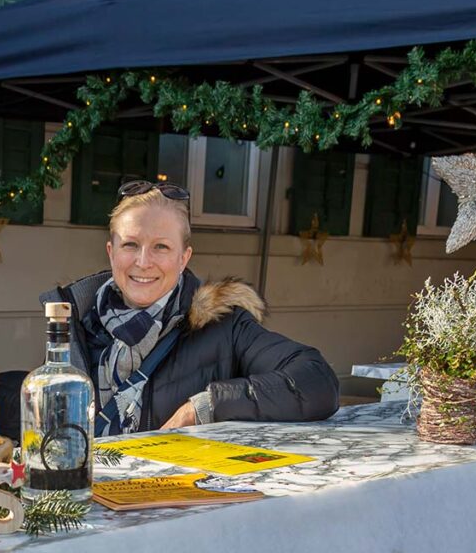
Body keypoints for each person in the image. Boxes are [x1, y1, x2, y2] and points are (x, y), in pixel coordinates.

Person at [40, 180, 339, 436]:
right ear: (111, 252)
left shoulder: (224, 326)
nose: (143, 262)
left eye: (161, 247)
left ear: (184, 258)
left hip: (182, 498)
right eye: (130, 244)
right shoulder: (74, 327)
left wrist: (204, 407)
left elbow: (317, 382)